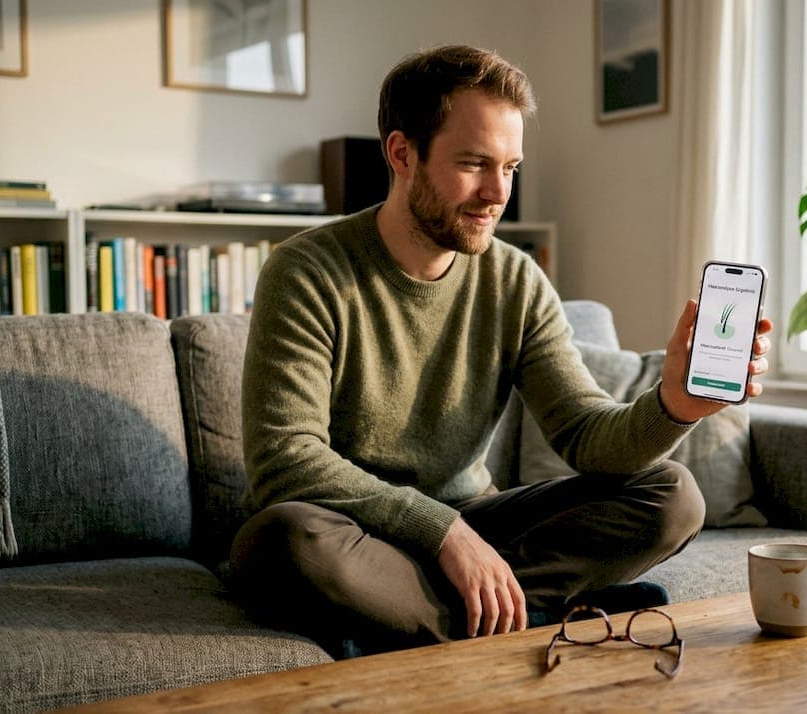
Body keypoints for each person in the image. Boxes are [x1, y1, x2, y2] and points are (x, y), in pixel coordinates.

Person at [231, 44, 773, 655]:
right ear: (402, 154)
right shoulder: (306, 270)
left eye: (511, 167)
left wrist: (674, 404)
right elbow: (286, 458)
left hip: (476, 523)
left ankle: (459, 616)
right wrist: (443, 533)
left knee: (671, 494)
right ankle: (545, 614)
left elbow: (587, 436)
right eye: (474, 164)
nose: (497, 192)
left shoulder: (515, 280)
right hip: (351, 528)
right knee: (286, 539)